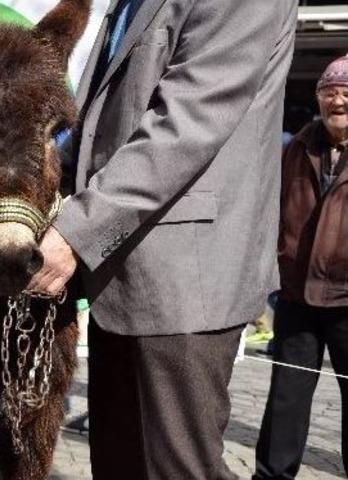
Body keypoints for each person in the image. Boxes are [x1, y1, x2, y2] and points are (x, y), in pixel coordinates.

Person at [27, 0, 298, 477]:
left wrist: (74, 231)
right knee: (121, 465)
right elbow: (100, 125)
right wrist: (29, 195)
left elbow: (185, 124)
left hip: (185, 282)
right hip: (118, 270)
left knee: (176, 469)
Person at [254, 54, 348, 480]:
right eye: (329, 92)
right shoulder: (296, 148)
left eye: (346, 93)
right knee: (286, 398)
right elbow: (269, 210)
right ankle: (272, 476)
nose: (337, 101)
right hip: (298, 295)